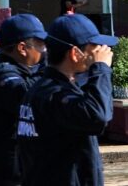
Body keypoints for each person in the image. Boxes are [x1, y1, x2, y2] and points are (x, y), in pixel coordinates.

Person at [17, 14, 117, 186]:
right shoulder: (52, 94)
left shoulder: (42, 88)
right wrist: (100, 69)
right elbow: (98, 116)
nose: (103, 51)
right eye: (95, 47)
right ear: (74, 53)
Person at [0, 15, 47, 186]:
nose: (44, 49)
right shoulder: (4, 75)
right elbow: (25, 95)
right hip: (8, 177)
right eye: (40, 44)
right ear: (22, 48)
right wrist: (53, 66)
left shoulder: (25, 73)